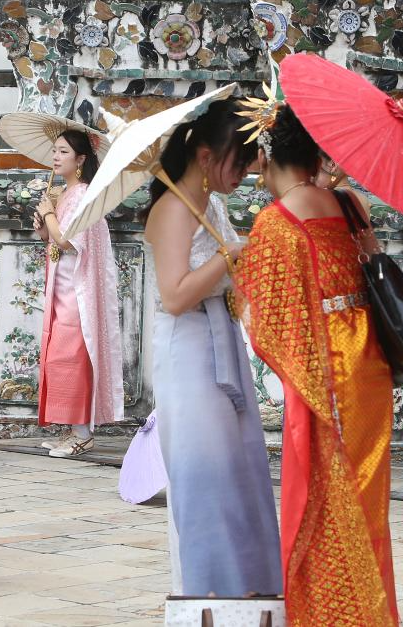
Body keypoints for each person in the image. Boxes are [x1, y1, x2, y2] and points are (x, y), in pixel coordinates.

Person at [231, 102, 399, 626]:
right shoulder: (350, 203)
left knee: (326, 499)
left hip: (324, 368)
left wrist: (238, 278)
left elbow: (264, 320)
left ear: (264, 156)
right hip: (369, 364)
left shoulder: (276, 222)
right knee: (366, 500)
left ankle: (338, 614)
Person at [142, 101, 281, 597]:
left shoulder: (211, 205)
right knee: (205, 473)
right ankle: (207, 593)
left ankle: (247, 591)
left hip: (222, 339)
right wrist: (230, 256)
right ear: (205, 156)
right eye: (238, 162)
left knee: (237, 468)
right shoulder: (172, 209)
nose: (245, 174)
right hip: (189, 349)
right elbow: (175, 295)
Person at [32, 127, 123, 457]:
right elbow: (55, 240)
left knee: (71, 356)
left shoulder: (84, 194)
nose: (56, 157)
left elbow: (70, 241)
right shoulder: (66, 193)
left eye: (64, 152)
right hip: (61, 286)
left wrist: (48, 214)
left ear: (81, 159)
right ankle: (72, 429)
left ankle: (83, 433)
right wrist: (44, 227)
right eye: (55, 151)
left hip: (76, 290)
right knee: (58, 356)